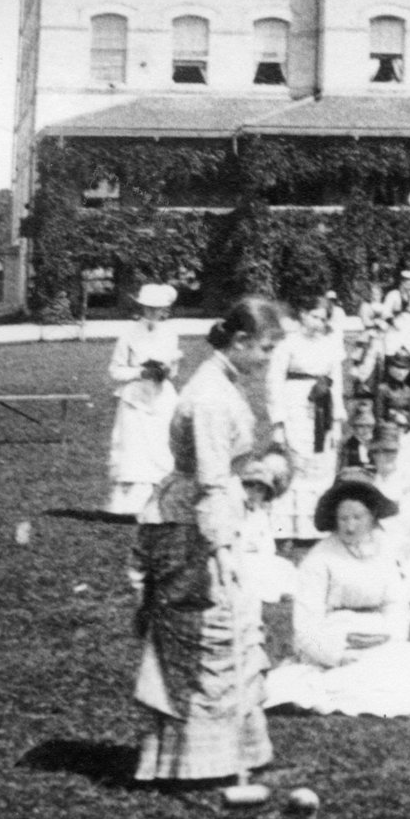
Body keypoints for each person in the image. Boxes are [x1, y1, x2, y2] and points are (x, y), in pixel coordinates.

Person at [131, 296, 284, 785]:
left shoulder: (221, 382)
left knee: (228, 629)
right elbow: (213, 481)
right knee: (208, 635)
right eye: (264, 348)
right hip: (191, 526)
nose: (268, 359)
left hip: (204, 517)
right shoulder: (212, 396)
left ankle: (227, 753)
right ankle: (194, 762)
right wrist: (220, 547)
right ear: (239, 342)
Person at [264, 474, 410, 716]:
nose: (350, 526)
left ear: (372, 518)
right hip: (336, 638)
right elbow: (305, 626)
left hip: (380, 637)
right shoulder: (319, 559)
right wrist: (337, 656)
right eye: (343, 518)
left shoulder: (384, 551)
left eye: (358, 517)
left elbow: (397, 604)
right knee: (355, 681)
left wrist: (392, 638)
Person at [265, 296, 348, 540]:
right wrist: (278, 423)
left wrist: (337, 421)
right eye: (314, 316)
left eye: (323, 319)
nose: (318, 323)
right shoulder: (287, 344)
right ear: (302, 314)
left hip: (323, 405)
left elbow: (337, 382)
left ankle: (316, 527)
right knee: (295, 462)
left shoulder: (331, 345)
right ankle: (282, 530)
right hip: (295, 404)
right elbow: (273, 382)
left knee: (321, 461)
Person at [107, 281, 183, 516]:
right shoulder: (128, 333)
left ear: (165, 310)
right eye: (148, 307)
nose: (152, 312)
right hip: (135, 399)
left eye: (157, 308)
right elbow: (115, 370)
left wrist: (166, 370)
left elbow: (174, 369)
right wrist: (140, 372)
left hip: (160, 399)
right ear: (141, 307)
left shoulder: (171, 333)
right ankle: (126, 506)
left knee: (159, 448)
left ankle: (156, 504)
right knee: (133, 449)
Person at [237, 452, 298, 606]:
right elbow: (236, 538)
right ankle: (269, 593)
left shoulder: (261, 515)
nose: (253, 494)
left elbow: (267, 543)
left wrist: (264, 554)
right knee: (251, 574)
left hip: (260, 557)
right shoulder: (236, 511)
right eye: (249, 488)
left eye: (259, 490)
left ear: (265, 494)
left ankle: (286, 591)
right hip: (241, 557)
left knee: (284, 567)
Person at [368, 423, 410, 572]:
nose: (384, 456)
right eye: (378, 451)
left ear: (399, 451)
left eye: (391, 451)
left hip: (406, 549)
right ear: (372, 453)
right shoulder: (369, 483)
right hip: (374, 549)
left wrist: (409, 546)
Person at [338, 400, 377, 472]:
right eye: (361, 426)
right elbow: (342, 468)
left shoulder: (374, 445)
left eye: (369, 426)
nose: (365, 430)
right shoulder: (348, 445)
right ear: (354, 427)